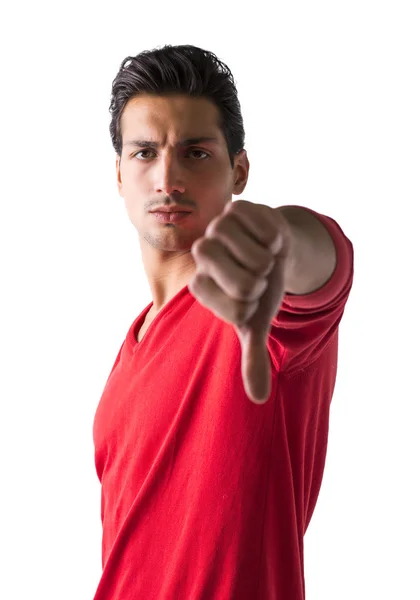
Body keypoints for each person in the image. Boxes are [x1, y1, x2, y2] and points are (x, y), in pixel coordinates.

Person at [92, 44, 354, 600]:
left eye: (195, 153)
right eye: (144, 153)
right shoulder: (130, 348)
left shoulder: (256, 307)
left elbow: (316, 258)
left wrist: (281, 239)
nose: (167, 177)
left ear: (239, 170)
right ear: (119, 174)